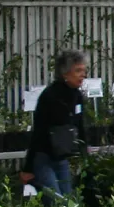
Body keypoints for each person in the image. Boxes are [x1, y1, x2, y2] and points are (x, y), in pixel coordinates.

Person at [18, 49, 89, 197]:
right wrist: (28, 168)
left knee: (68, 202)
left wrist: (85, 156)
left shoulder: (77, 96)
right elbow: (39, 131)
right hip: (44, 157)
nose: (83, 75)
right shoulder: (50, 96)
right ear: (65, 73)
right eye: (78, 71)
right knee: (55, 201)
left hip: (61, 157)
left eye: (84, 70)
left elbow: (80, 126)